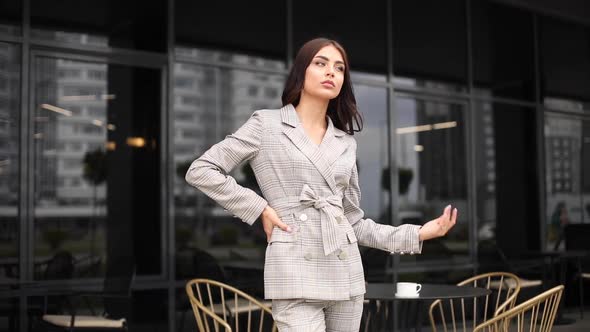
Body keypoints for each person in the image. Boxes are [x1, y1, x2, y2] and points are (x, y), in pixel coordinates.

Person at [185, 37, 457, 332]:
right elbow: (202, 170)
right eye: (321, 63)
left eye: (339, 68)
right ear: (301, 72)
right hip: (294, 270)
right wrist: (260, 207)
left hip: (346, 273)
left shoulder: (345, 142)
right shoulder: (266, 125)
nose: (331, 72)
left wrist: (418, 233)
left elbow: (353, 222)